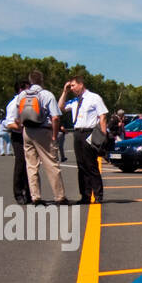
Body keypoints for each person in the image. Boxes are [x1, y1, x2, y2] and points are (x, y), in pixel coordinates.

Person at [17, 70, 69, 205]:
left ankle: (35, 197)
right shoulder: (46, 95)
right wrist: (54, 135)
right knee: (51, 164)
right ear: (42, 80)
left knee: (31, 165)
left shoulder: (22, 95)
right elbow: (56, 117)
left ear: (30, 81)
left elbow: (19, 113)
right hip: (43, 131)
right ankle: (59, 196)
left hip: (27, 131)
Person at [59, 76, 108, 204]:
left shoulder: (94, 98)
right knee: (81, 166)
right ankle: (85, 195)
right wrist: (65, 92)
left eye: (73, 85)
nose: (72, 88)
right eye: (70, 86)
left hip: (89, 132)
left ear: (81, 84)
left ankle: (98, 195)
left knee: (91, 165)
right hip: (77, 133)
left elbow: (102, 116)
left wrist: (103, 137)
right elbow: (60, 108)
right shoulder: (75, 101)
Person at [3, 79, 31, 204]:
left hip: (30, 136)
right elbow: (9, 123)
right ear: (21, 90)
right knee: (20, 164)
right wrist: (21, 127)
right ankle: (18, 193)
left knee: (31, 165)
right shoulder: (14, 104)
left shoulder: (29, 102)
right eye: (28, 89)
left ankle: (30, 192)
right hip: (19, 137)